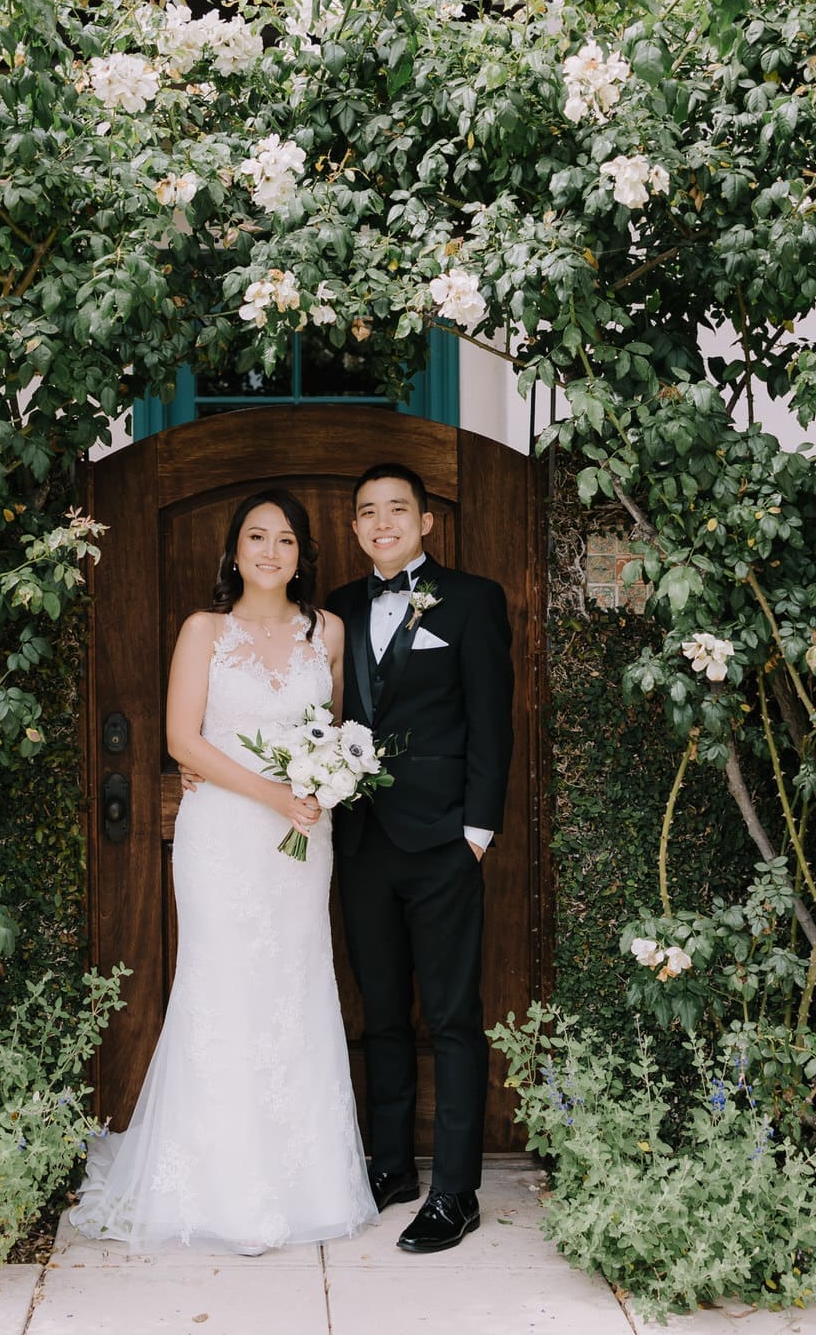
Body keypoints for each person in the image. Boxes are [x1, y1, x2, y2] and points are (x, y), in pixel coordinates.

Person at [66, 490, 376, 1254]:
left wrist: (325, 781)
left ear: (303, 555)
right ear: (233, 551)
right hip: (225, 838)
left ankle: (307, 1183)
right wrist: (274, 792)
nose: (271, 552)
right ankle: (218, 1187)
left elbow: (334, 733)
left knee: (297, 984)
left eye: (286, 541)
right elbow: (183, 740)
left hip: (303, 843)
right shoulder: (204, 630)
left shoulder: (328, 631)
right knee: (224, 985)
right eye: (256, 538)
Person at [325, 461, 514, 1254]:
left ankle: (456, 1194)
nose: (381, 523)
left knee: (452, 1017)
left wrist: (478, 832)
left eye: (396, 510)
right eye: (367, 512)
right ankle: (392, 1166)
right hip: (362, 840)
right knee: (381, 1016)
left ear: (426, 521)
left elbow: (491, 719)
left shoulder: (470, 600)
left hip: (442, 839)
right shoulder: (333, 609)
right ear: (356, 526)